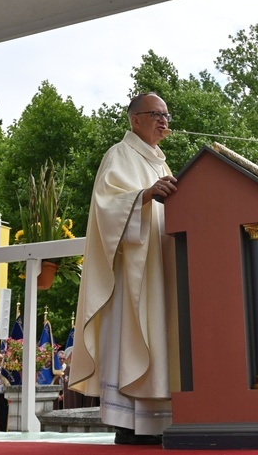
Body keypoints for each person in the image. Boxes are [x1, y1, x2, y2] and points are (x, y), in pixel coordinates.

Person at [70, 92, 179, 446]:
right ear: (135, 119)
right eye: (156, 114)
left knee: (161, 334)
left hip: (160, 266)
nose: (164, 121)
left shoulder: (161, 164)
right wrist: (144, 196)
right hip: (132, 270)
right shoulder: (119, 155)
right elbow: (106, 208)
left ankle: (161, 421)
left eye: (166, 115)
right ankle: (129, 422)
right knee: (134, 334)